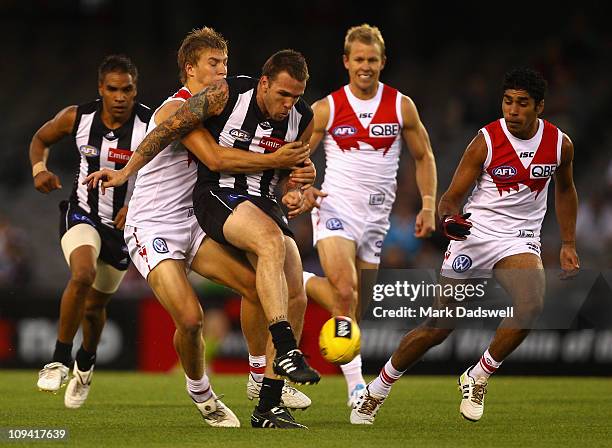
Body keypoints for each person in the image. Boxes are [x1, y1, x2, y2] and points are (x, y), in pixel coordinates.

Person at [85, 30, 315, 427]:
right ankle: (202, 393)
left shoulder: (222, 107)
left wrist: (297, 177)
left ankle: (260, 379)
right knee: (191, 320)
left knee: (260, 288)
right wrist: (124, 174)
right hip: (154, 224)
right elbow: (211, 155)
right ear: (190, 68)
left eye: (226, 63)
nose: (223, 71)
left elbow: (258, 153)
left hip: (193, 222)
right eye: (214, 63)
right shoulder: (176, 108)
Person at [350, 67, 580, 424]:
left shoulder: (559, 144)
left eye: (522, 104)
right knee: (438, 328)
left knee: (531, 304)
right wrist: (449, 221)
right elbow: (450, 199)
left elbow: (565, 190)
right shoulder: (486, 141)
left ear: (540, 107)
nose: (513, 111)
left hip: (518, 239)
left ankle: (478, 376)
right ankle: (377, 390)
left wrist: (567, 241)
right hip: (473, 237)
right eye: (508, 102)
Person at [301, 24, 437, 406]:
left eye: (372, 60)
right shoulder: (326, 108)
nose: (365, 66)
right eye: (358, 59)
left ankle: (299, 277)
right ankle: (356, 387)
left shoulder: (400, 105)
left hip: (376, 218)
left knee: (355, 305)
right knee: (345, 291)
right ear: (346, 62)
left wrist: (428, 204)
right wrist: (300, 189)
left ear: (382, 62)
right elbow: (295, 156)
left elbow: (424, 155)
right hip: (335, 208)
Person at [29, 55, 152, 408]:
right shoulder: (77, 117)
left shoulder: (150, 125)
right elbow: (40, 138)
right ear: (101, 89)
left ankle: (86, 363)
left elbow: (168, 171)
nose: (119, 96)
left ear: (135, 89)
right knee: (81, 274)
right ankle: (57, 360)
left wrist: (137, 204)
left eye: (126, 89)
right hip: (82, 213)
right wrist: (39, 168)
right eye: (112, 89)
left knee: (96, 307)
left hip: (121, 228)